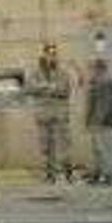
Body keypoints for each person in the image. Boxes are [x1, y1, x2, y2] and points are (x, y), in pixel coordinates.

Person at [31, 43, 73, 183]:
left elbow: (65, 90)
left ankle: (67, 172)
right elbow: (31, 88)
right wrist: (50, 88)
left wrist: (46, 89)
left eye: (54, 53)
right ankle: (50, 174)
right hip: (43, 114)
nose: (51, 56)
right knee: (46, 146)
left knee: (63, 144)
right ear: (44, 54)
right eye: (49, 53)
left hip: (59, 114)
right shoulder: (36, 73)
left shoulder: (62, 73)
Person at [84, 55, 112, 186]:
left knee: (105, 149)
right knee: (97, 150)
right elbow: (90, 103)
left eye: (91, 67)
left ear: (99, 68)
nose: (89, 69)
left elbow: (105, 104)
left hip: (104, 122)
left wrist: (97, 121)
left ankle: (109, 176)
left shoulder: (106, 81)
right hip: (95, 121)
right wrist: (88, 120)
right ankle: (97, 173)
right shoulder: (95, 80)